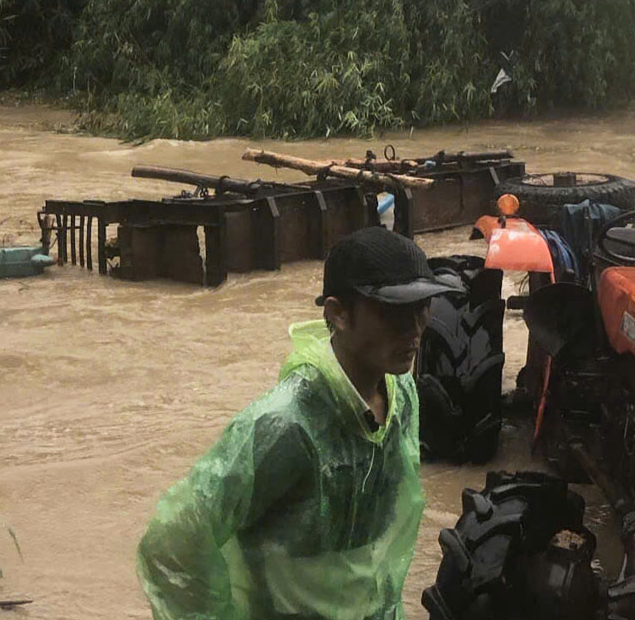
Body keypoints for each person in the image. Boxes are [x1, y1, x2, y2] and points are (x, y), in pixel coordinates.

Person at [136, 227, 463, 620]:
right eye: (393, 312)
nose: (414, 330)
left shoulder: (400, 393)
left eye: (421, 308)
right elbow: (174, 540)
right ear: (338, 314)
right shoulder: (286, 424)